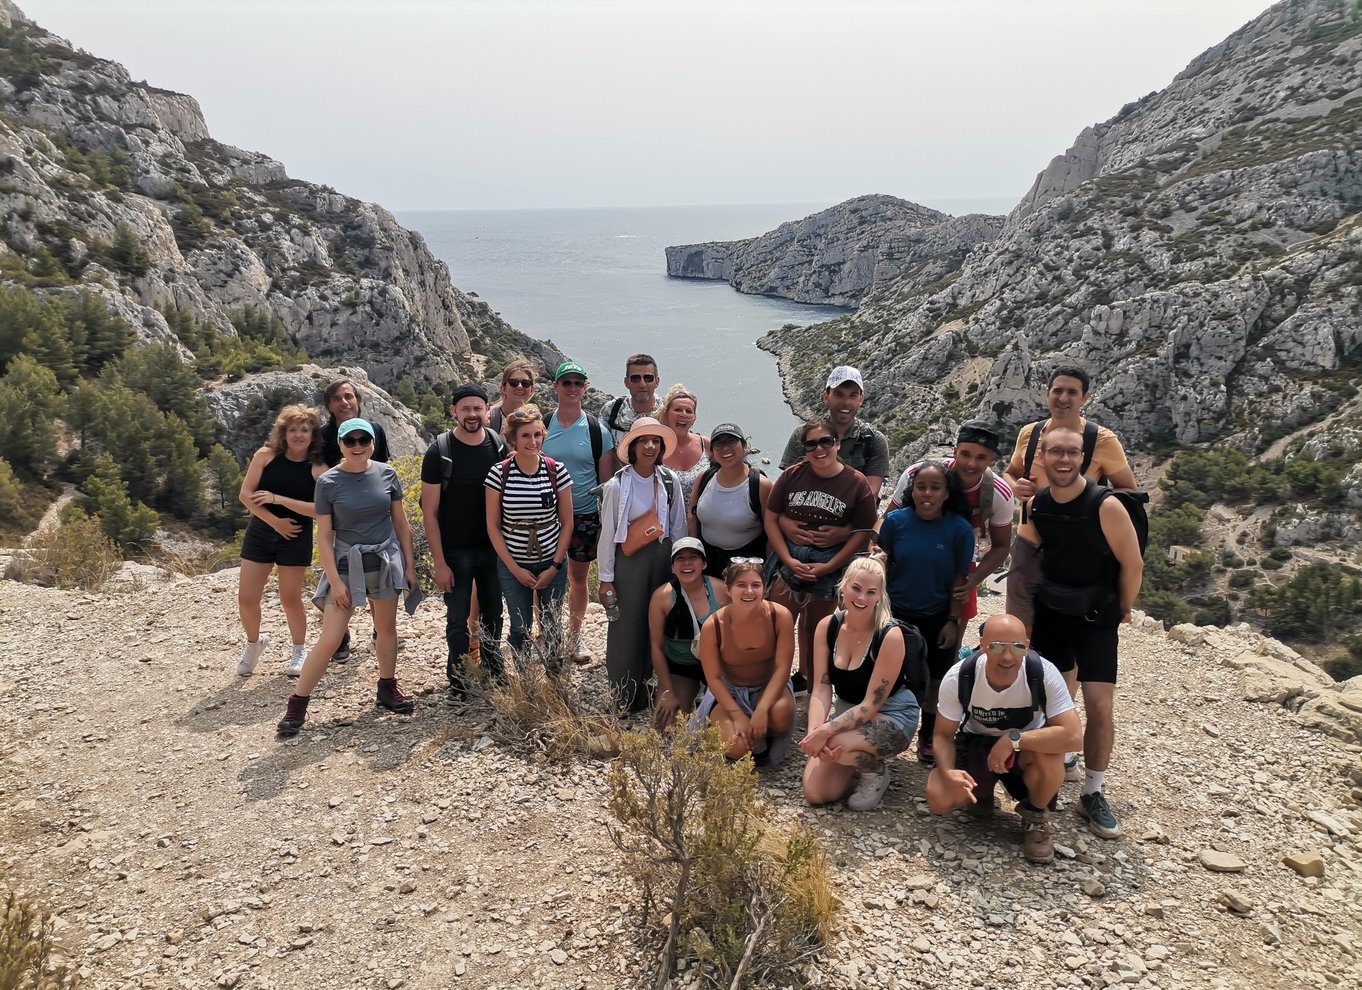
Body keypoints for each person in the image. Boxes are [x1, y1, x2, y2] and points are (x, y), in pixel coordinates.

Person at [1026, 426, 1144, 840]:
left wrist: (1124, 607)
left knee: (1099, 705)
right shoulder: (1038, 502)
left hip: (1097, 616)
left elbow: (1132, 564)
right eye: (1055, 452)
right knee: (1053, 699)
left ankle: (1093, 791)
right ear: (1041, 456)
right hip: (1054, 611)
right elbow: (1037, 551)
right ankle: (1046, 773)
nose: (1063, 460)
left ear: (1082, 457)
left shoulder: (1106, 505)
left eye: (1072, 453)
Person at [277, 418, 417, 737]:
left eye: (363, 440)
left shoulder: (387, 474)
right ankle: (297, 705)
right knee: (330, 638)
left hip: (383, 562)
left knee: (386, 630)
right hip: (345, 566)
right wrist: (336, 582)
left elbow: (401, 524)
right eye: (350, 441)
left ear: (372, 443)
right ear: (340, 444)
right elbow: (324, 536)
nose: (358, 446)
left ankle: (387, 688)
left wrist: (409, 566)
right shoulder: (328, 482)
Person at [926, 614, 1082, 864]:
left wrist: (1013, 739)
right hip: (977, 741)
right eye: (997, 646)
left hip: (1027, 748)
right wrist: (947, 771)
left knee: (1051, 758)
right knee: (939, 796)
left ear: (1027, 646)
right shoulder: (960, 676)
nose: (1007, 657)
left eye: (1017, 647)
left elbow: (1073, 737)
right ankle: (982, 793)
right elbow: (943, 735)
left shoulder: (1043, 672)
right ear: (983, 643)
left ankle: (1035, 816)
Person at [1003, 366, 1137, 633]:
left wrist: (1090, 503)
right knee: (1018, 631)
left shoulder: (1102, 440)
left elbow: (1128, 492)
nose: (1063, 398)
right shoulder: (1029, 433)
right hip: (1028, 547)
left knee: (1066, 637)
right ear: (1046, 393)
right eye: (1058, 390)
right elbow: (1011, 472)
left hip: (1074, 552)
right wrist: (1016, 487)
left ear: (1085, 398)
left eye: (1072, 392)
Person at [800, 557, 924, 811]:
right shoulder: (827, 626)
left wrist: (826, 733)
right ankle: (851, 756)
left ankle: (875, 771)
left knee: (834, 744)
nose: (862, 598)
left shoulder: (889, 635)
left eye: (871, 592)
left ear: (880, 596)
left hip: (891, 715)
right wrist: (815, 732)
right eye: (856, 588)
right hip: (847, 712)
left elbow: (870, 705)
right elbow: (822, 688)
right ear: (843, 587)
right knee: (816, 794)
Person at [764, 420, 876, 696]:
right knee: (777, 628)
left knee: (818, 635)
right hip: (790, 560)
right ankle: (771, 690)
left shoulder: (855, 483)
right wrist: (787, 560)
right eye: (811, 444)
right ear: (804, 449)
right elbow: (771, 518)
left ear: (837, 444)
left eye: (825, 441)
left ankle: (815, 694)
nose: (819, 449)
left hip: (830, 566)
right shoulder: (792, 475)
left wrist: (830, 565)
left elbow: (863, 532)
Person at [882, 421, 1015, 649]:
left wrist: (974, 580)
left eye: (981, 457)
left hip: (961, 566)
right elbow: (887, 519)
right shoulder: (919, 474)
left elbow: (1002, 546)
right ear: (955, 451)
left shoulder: (998, 493)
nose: (971, 463)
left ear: (991, 459)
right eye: (965, 454)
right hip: (909, 560)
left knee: (948, 642)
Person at [876, 461, 975, 766]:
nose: (927, 494)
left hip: (937, 615)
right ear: (912, 490)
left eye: (935, 488)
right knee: (887, 676)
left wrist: (953, 621)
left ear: (947, 493)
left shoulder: (959, 529)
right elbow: (883, 562)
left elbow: (960, 579)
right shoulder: (896, 522)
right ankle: (880, 730)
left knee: (936, 679)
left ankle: (928, 735)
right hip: (896, 614)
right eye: (921, 487)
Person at [420, 384, 509, 701]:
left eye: (478, 408)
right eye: (465, 409)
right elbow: (429, 513)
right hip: (455, 550)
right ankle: (458, 682)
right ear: (454, 411)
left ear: (487, 410)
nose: (472, 415)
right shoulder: (439, 451)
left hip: (491, 547)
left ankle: (495, 672)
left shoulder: (498, 446)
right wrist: (440, 564)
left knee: (493, 615)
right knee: (457, 620)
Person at [597, 416, 686, 712]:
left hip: (661, 561)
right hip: (629, 562)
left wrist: (680, 568)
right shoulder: (616, 485)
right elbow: (608, 535)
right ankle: (623, 695)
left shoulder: (670, 482)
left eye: (655, 441)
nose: (649, 446)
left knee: (657, 627)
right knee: (625, 628)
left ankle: (649, 689)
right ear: (632, 447)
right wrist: (606, 578)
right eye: (643, 441)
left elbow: (678, 528)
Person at [236, 404, 327, 677]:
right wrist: (275, 521)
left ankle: (299, 649)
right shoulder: (265, 456)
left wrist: (279, 500)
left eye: (305, 429)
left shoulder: (318, 468)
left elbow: (320, 510)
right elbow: (245, 495)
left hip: (296, 536)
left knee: (290, 599)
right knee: (247, 598)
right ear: (283, 433)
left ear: (313, 435)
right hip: (261, 532)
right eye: (292, 429)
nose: (298, 435)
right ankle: (254, 643)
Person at [484, 404, 574, 666]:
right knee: (520, 627)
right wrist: (514, 569)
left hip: (552, 560)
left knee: (552, 623)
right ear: (512, 439)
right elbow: (493, 525)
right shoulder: (498, 474)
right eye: (525, 436)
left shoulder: (556, 471)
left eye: (537, 435)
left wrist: (555, 566)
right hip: (514, 562)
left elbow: (567, 523)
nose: (532, 441)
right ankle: (526, 687)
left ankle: (556, 682)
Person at [692, 560, 797, 765]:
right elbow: (713, 678)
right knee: (736, 747)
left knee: (780, 714)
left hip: (769, 687)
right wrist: (737, 715)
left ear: (764, 589)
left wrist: (762, 708)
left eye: (755, 585)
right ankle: (734, 730)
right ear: (728, 589)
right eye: (741, 585)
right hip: (729, 691)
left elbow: (783, 668)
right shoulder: (713, 626)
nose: (749, 591)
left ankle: (765, 734)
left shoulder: (780, 616)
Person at [319, 378, 392, 664]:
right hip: (336, 511)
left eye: (349, 396)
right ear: (329, 405)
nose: (344, 402)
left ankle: (380, 630)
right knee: (336, 574)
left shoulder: (375, 430)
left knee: (378, 570)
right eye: (337, 398)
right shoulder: (323, 436)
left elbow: (382, 466)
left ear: (358, 400)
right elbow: (316, 469)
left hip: (371, 511)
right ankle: (341, 636)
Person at [541, 360, 611, 662]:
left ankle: (575, 635)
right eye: (565, 382)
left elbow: (606, 482)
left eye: (577, 383)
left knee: (578, 578)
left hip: (584, 515)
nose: (572, 388)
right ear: (556, 386)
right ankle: (547, 633)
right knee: (542, 577)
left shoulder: (597, 430)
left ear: (585, 388)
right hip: (545, 517)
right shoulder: (543, 425)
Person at [647, 537, 729, 729]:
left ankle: (710, 701)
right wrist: (667, 689)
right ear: (673, 566)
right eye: (680, 559)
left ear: (704, 563)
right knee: (668, 724)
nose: (687, 564)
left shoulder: (721, 591)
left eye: (693, 557)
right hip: (681, 665)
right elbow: (656, 647)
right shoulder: (662, 597)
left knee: (721, 728)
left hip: (717, 666)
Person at [779, 366, 890, 500]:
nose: (846, 402)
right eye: (839, 394)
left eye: (853, 395)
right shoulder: (803, 435)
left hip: (854, 519)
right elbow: (788, 486)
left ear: (861, 399)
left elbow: (869, 495)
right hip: (805, 517)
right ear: (826, 396)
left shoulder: (873, 441)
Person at [688, 422, 772, 578]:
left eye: (731, 441)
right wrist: (695, 552)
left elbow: (772, 530)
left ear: (744, 445)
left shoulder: (759, 485)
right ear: (712, 450)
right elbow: (692, 515)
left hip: (747, 565)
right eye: (719, 443)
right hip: (708, 561)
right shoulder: (704, 478)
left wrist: (767, 571)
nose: (725, 448)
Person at [600, 353, 661, 471]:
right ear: (626, 382)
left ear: (657, 381)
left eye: (648, 378)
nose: (642, 384)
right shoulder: (611, 410)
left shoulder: (667, 411)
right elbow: (602, 449)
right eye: (635, 378)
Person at [656, 384, 710, 507]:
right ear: (666, 414)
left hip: (701, 522)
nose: (683, 414)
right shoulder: (656, 447)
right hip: (664, 522)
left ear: (694, 418)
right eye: (678, 410)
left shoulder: (705, 444)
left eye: (689, 411)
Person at [488, 359, 537, 437]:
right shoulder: (489, 421)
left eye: (526, 383)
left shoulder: (533, 421)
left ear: (532, 390)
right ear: (503, 388)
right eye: (513, 383)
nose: (520, 386)